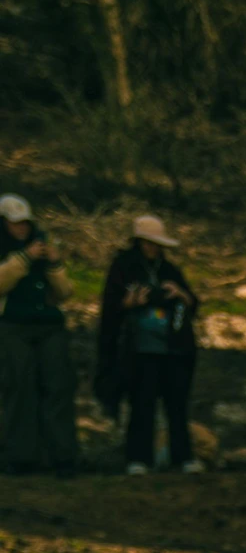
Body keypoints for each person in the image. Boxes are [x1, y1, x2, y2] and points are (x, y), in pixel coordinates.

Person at [98, 214, 201, 475]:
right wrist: (130, 303)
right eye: (149, 243)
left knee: (176, 404)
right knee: (141, 404)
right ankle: (138, 458)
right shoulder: (123, 267)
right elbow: (110, 307)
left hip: (173, 347)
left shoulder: (169, 270)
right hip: (139, 348)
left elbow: (193, 303)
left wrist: (180, 295)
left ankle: (183, 456)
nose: (153, 248)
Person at [0, 193, 76, 476]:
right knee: (19, 388)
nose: (20, 229)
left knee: (58, 387)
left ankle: (63, 456)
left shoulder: (42, 246)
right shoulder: (11, 251)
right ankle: (21, 457)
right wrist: (23, 259)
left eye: (24, 223)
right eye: (14, 223)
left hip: (49, 325)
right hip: (12, 325)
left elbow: (66, 292)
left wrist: (54, 264)